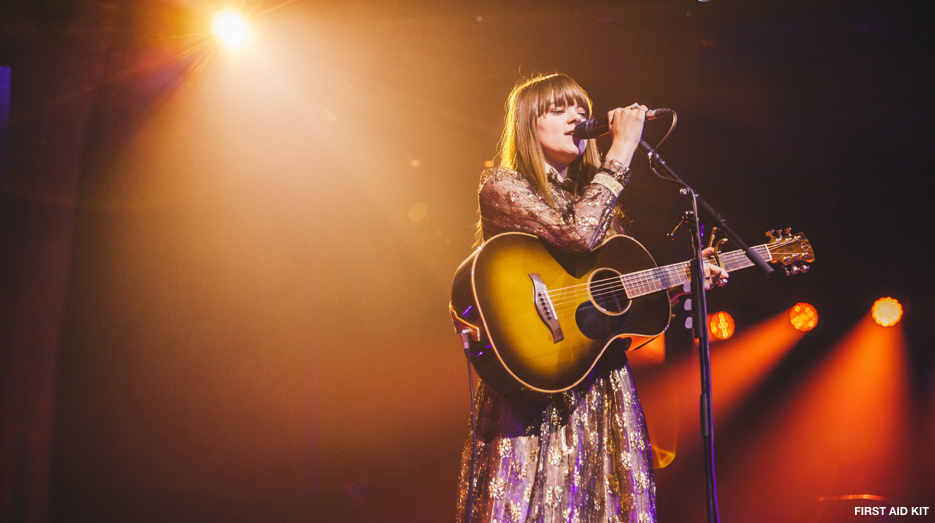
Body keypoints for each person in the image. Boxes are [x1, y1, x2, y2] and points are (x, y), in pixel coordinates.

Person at [456, 73, 728, 523]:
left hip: (599, 381)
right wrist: (622, 151)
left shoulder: (595, 199)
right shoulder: (504, 186)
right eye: (559, 109)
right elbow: (576, 235)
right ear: (527, 123)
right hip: (536, 377)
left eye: (582, 110)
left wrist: (684, 280)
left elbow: (610, 294)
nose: (577, 118)